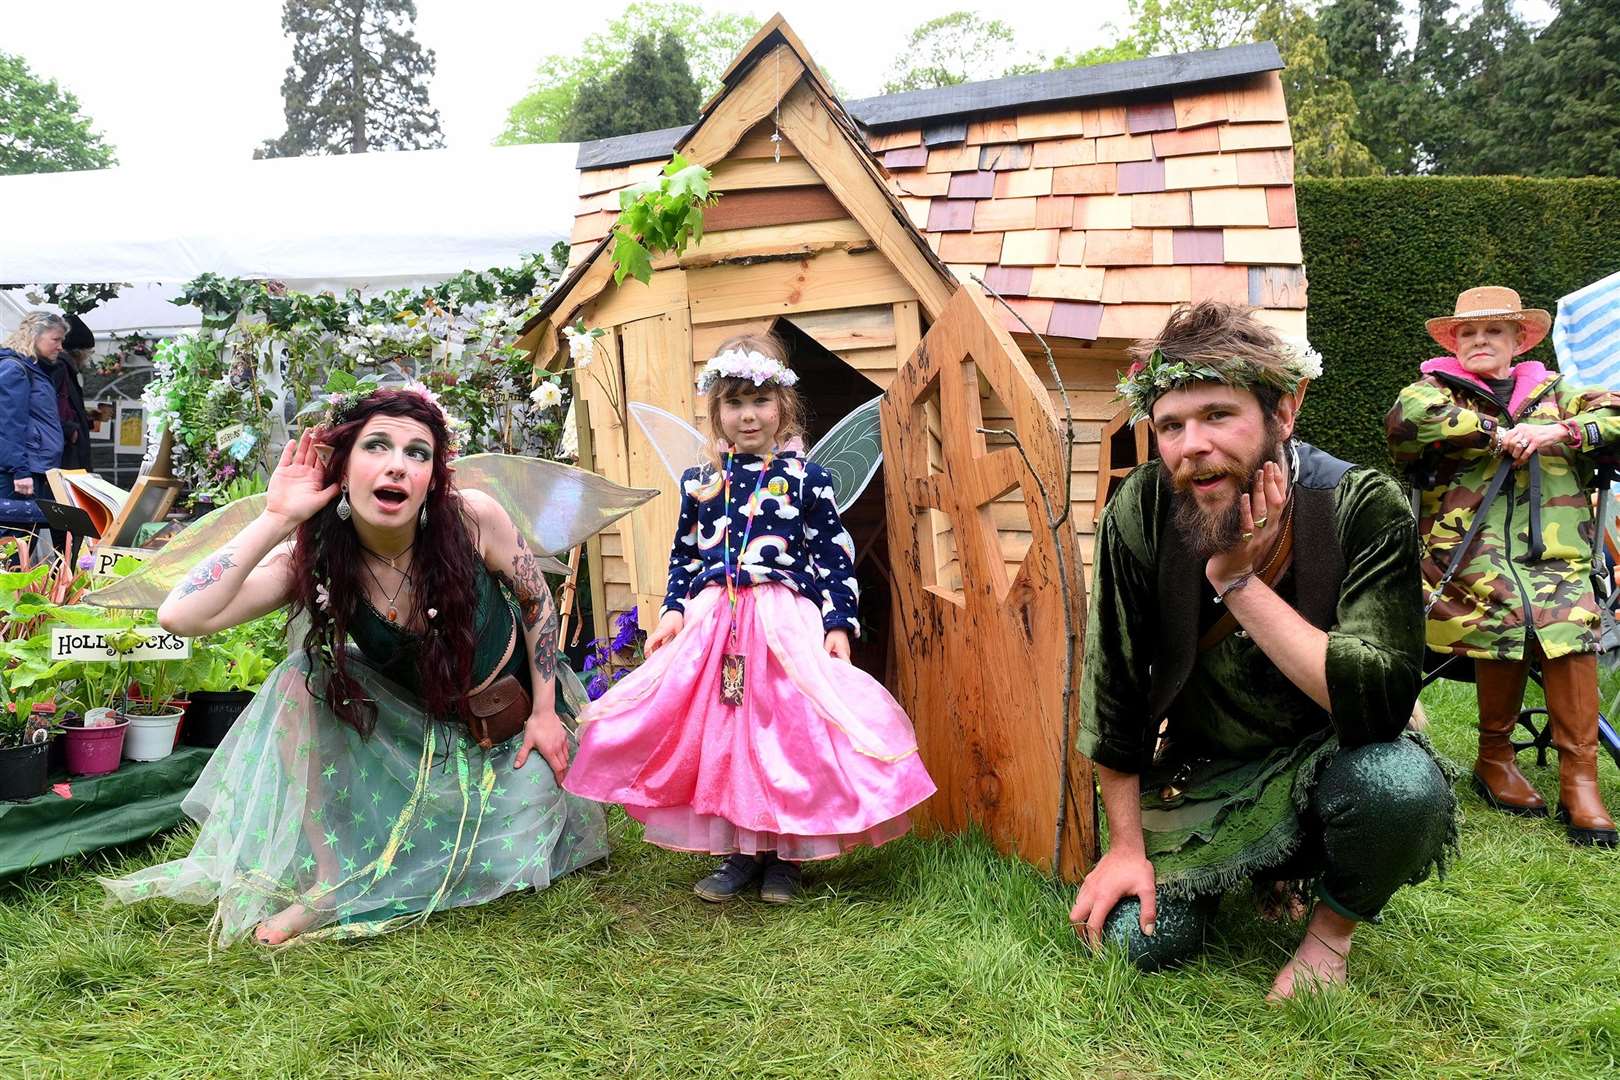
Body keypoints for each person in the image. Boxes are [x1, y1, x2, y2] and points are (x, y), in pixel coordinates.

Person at [103, 385, 610, 945]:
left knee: (505, 859)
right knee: (302, 675)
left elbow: (538, 603)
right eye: (376, 447)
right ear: (342, 470)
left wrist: (543, 712)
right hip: (412, 723)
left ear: (432, 479)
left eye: (417, 454)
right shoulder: (316, 555)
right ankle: (332, 877)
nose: (397, 465)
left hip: (510, 723)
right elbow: (181, 615)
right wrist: (277, 517)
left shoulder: (473, 522)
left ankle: (430, 828)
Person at [1069, 301, 1457, 1000]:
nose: (1193, 445)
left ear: (1284, 411)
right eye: (1171, 426)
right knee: (1139, 947)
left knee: (1401, 785)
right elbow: (1114, 689)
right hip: (1200, 771)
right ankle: (1240, 868)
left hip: (1330, 765)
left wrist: (1236, 580)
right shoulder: (1141, 512)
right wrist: (1125, 848)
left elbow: (1379, 709)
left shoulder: (1362, 506)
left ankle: (1326, 934)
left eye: (1219, 415)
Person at [563, 334, 936, 903]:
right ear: (716, 411)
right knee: (726, 733)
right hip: (717, 625)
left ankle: (785, 857)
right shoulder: (701, 482)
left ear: (783, 407)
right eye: (734, 403)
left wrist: (838, 623)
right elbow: (684, 555)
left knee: (787, 733)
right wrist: (671, 613)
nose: (748, 415)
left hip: (783, 624)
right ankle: (740, 854)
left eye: (760, 402)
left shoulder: (808, 479)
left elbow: (834, 553)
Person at [1387, 286, 1618, 848]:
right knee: (1506, 617)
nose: (1480, 341)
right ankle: (1495, 759)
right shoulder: (1430, 390)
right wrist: (1501, 434)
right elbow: (1408, 422)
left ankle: (1580, 781)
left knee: (1568, 625)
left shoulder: (1560, 395)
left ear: (1520, 340)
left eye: (1494, 331)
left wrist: (1558, 431)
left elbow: (1614, 417)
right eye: (1468, 332)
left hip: (1556, 560)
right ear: (1453, 343)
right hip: (1464, 560)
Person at [0, 312, 68, 524]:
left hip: (35, 466)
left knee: (25, 541)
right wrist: (20, 471)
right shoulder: (15, 368)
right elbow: (9, 423)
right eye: (55, 339)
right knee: (15, 544)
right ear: (33, 336)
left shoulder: (32, 369)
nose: (60, 347)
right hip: (21, 472)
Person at [52, 315, 95, 471]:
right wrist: (70, 430)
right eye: (89, 351)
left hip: (69, 449)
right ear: (79, 351)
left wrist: (87, 418)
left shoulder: (66, 370)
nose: (89, 357)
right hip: (66, 453)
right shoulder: (59, 369)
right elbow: (50, 407)